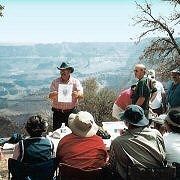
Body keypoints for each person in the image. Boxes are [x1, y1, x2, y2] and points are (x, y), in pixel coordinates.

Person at [108, 104, 166, 180]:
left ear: (126, 122)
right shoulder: (156, 134)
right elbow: (163, 157)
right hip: (158, 176)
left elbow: (112, 166)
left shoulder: (118, 142)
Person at [49, 62, 83, 131]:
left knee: (72, 133)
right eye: (61, 70)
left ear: (69, 71)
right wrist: (53, 94)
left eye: (64, 70)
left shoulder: (75, 82)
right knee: (56, 133)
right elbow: (50, 96)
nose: (62, 72)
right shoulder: (55, 82)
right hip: (57, 113)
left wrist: (77, 95)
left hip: (71, 113)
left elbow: (81, 95)